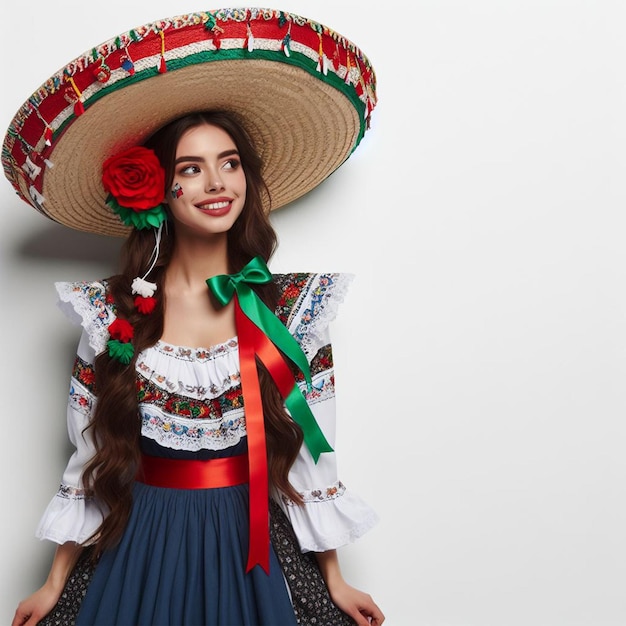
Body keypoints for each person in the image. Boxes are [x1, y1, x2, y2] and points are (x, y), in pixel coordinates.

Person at [3, 8, 383, 626]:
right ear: (160, 190)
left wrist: (334, 579)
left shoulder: (290, 309)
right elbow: (93, 453)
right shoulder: (110, 314)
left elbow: (316, 448)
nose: (217, 182)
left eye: (230, 162)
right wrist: (53, 582)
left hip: (252, 543)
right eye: (191, 167)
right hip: (142, 542)